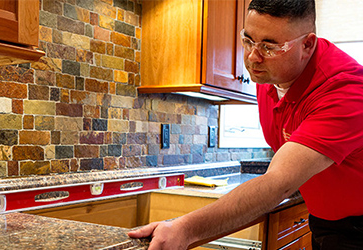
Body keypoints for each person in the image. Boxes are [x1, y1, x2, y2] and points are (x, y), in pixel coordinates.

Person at [128, 0, 363, 249]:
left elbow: (278, 183)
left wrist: (184, 229)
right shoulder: (269, 77)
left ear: (307, 45)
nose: (253, 56)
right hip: (325, 220)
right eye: (248, 40)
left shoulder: (346, 90)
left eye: (269, 47)